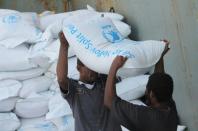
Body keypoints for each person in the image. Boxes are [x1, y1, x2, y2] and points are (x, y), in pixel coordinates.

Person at [104, 41, 179, 131]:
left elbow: (109, 102)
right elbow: (159, 78)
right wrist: (160, 55)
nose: (145, 91)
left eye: (147, 89)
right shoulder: (170, 108)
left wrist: (114, 66)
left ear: (151, 94)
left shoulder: (145, 116)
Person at [56, 32, 122, 131]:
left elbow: (114, 60)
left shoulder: (105, 81)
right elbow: (61, 79)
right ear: (79, 68)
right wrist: (64, 46)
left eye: (94, 66)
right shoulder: (74, 89)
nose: (93, 70)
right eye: (89, 66)